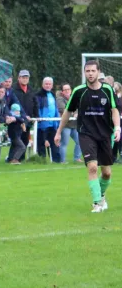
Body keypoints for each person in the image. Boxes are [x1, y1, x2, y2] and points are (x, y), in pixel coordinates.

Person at [55, 60, 121, 213]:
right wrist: (59, 131)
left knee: (106, 173)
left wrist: (117, 128)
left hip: (105, 135)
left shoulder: (108, 90)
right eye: (87, 71)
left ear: (98, 72)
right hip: (86, 134)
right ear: (84, 73)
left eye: (93, 71)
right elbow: (67, 112)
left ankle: (102, 195)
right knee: (92, 167)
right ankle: (97, 203)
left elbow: (114, 110)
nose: (90, 74)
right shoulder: (79, 91)